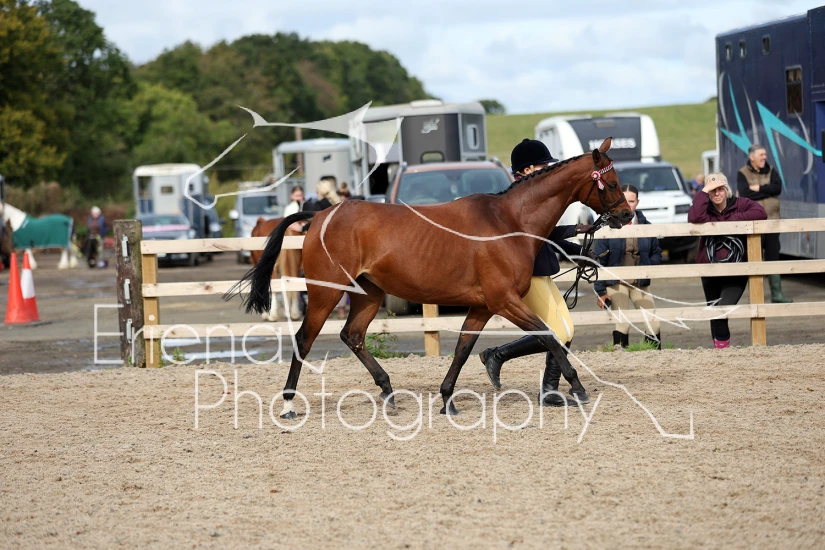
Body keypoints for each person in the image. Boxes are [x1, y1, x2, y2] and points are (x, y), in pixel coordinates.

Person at [479, 138, 596, 407]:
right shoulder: (517, 199)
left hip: (542, 269)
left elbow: (545, 237)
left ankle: (548, 389)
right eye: (544, 165)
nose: (548, 169)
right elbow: (539, 234)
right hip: (527, 274)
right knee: (559, 332)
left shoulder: (534, 196)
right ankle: (500, 356)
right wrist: (573, 233)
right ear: (528, 169)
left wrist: (578, 251)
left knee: (567, 331)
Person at [688, 173, 767, 348]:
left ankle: (722, 348)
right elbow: (693, 217)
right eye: (712, 190)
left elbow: (761, 212)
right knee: (714, 312)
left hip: (736, 269)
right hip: (710, 268)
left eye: (720, 189)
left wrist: (730, 222)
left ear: (726, 189)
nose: (717, 193)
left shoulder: (740, 204)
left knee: (721, 310)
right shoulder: (705, 208)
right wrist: (703, 193)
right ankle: (720, 349)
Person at [593, 184, 663, 349]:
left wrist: (647, 268)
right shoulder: (608, 227)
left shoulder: (647, 226)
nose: (628, 205)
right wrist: (600, 291)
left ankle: (652, 355)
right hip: (616, 283)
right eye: (624, 200)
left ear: (637, 202)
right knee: (623, 323)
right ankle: (620, 355)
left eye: (631, 201)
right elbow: (599, 261)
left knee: (654, 322)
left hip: (640, 282)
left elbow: (656, 253)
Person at [736, 144, 792, 303]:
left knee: (773, 257)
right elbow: (745, 194)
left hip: (773, 222)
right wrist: (767, 190)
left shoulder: (772, 170)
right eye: (761, 155)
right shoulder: (742, 173)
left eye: (765, 154)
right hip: (753, 224)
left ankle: (777, 295)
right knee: (754, 259)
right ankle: (755, 297)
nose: (765, 157)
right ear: (752, 157)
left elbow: (778, 188)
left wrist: (758, 188)